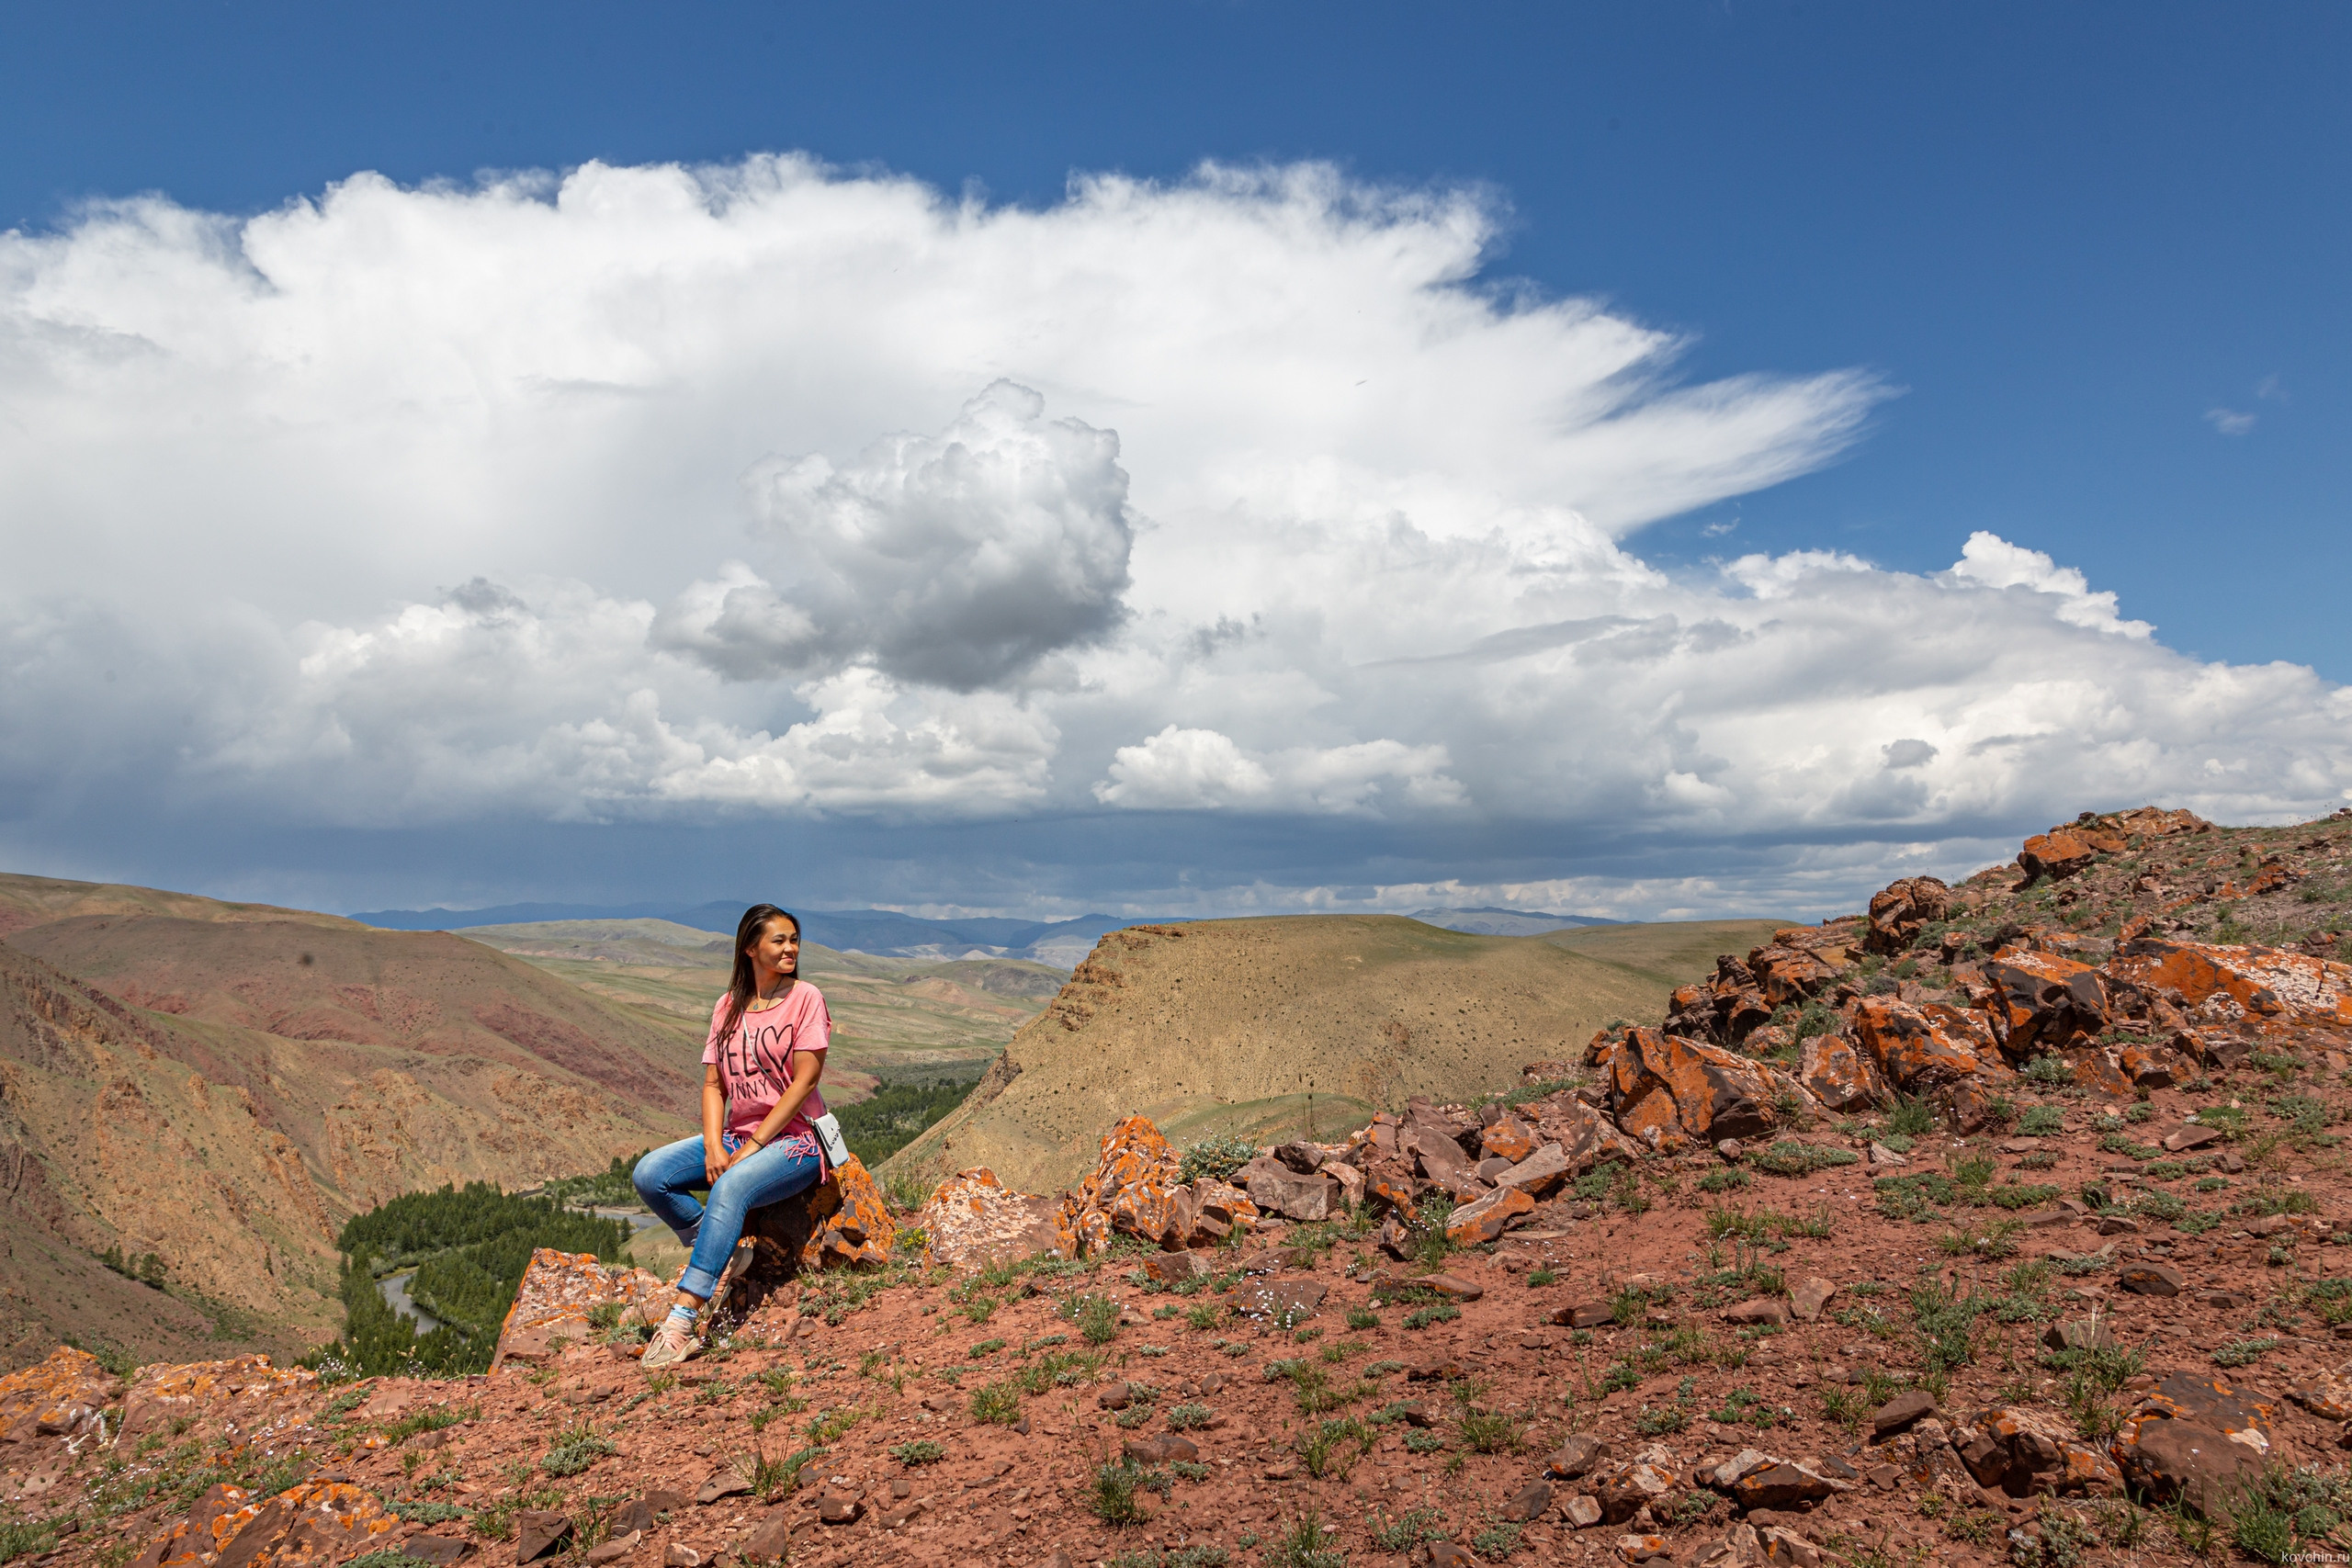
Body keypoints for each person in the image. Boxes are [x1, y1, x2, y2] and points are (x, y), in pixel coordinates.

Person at [632, 903, 831, 1367]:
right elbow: (713, 1085)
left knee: (730, 1185)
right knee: (650, 1173)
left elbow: (805, 1082)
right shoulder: (728, 1006)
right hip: (739, 1135)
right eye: (778, 940)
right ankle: (715, 1244)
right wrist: (716, 1145)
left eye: (794, 939)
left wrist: (752, 1147)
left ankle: (682, 1321)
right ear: (749, 948)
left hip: (795, 1142)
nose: (790, 948)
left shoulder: (806, 998)